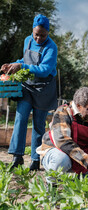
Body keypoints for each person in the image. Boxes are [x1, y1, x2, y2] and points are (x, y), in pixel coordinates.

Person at [0, 14, 58, 170]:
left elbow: (45, 70)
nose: (38, 38)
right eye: (36, 34)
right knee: (20, 118)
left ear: (48, 33)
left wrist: (23, 67)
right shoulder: (28, 40)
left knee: (39, 125)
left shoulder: (51, 47)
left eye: (42, 35)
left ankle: (35, 159)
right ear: (32, 31)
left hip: (44, 88)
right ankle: (17, 156)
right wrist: (13, 64)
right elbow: (24, 60)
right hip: (27, 86)